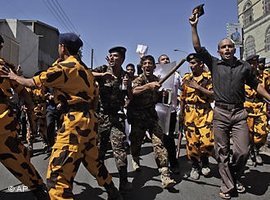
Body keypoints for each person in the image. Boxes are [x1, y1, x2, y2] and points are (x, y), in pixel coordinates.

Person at [1, 33, 122, 200]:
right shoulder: (84, 69)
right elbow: (94, 96)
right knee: (93, 161)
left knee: (57, 177)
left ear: (62, 47)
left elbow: (33, 82)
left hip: (74, 123)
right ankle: (113, 192)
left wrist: (14, 76)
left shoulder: (64, 67)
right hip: (89, 121)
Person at [189, 13, 270, 199]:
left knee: (242, 151)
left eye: (229, 46)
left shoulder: (244, 67)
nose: (227, 49)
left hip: (239, 113)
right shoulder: (214, 64)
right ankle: (228, 185)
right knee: (222, 151)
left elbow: (256, 85)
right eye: (223, 47)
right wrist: (194, 26)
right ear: (218, 51)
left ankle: (233, 176)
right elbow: (197, 47)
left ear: (234, 48)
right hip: (220, 113)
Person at [0, 34, 49, 199]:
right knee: (19, 160)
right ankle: (38, 188)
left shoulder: (5, 68)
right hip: (5, 124)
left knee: (18, 161)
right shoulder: (6, 67)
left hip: (3, 126)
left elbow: (24, 94)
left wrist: (30, 114)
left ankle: (39, 189)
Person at [127, 55, 176, 189]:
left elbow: (158, 98)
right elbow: (133, 91)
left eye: (150, 63)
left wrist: (163, 95)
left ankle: (165, 174)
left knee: (159, 143)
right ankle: (135, 158)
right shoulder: (138, 80)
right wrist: (148, 86)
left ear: (154, 67)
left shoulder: (157, 80)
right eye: (145, 63)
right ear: (142, 66)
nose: (148, 65)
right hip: (138, 117)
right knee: (136, 142)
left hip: (151, 116)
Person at [92, 46, 133, 192]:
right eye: (110, 55)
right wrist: (102, 75)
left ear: (122, 59)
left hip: (117, 116)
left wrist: (128, 87)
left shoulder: (125, 75)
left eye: (115, 56)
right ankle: (102, 178)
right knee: (99, 150)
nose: (111, 58)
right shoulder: (103, 68)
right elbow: (86, 74)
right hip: (102, 116)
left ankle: (124, 182)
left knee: (119, 149)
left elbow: (130, 96)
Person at [179, 53, 214, 180]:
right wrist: (181, 114)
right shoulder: (186, 78)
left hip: (205, 112)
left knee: (206, 141)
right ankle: (195, 166)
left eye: (194, 63)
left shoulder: (209, 77)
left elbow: (213, 95)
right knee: (192, 142)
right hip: (190, 112)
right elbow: (182, 98)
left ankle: (205, 163)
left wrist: (198, 87)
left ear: (201, 64)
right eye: (190, 63)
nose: (191, 66)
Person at [157, 54, 180, 174]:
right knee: (159, 139)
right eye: (163, 59)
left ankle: (173, 163)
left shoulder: (176, 75)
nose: (166, 60)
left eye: (167, 59)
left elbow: (182, 89)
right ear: (159, 63)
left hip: (171, 111)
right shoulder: (156, 75)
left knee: (169, 138)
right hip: (158, 112)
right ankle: (162, 163)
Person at [244, 55, 270, 166]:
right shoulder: (242, 76)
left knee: (262, 132)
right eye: (250, 63)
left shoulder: (265, 76)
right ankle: (251, 153)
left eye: (254, 63)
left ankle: (256, 149)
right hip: (247, 105)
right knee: (248, 133)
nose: (252, 65)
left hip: (260, 105)